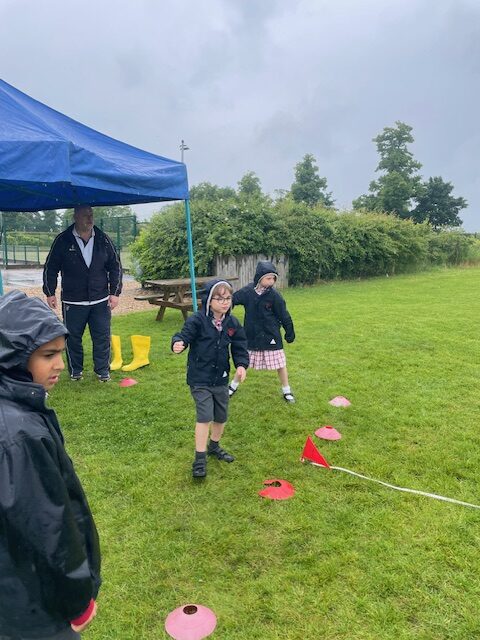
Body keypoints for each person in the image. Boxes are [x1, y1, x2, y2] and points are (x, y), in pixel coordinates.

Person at [0, 290, 101, 639]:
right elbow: (47, 527)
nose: (60, 364)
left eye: (60, 352)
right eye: (48, 355)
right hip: (32, 604)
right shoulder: (18, 433)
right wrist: (78, 599)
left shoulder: (17, 410)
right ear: (13, 357)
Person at [172, 279, 249, 478]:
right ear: (209, 300)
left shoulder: (232, 323)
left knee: (221, 416)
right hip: (200, 379)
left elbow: (240, 346)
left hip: (221, 379)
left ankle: (214, 447)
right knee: (205, 416)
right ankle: (200, 458)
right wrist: (178, 343)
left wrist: (241, 365)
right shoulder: (197, 320)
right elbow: (184, 335)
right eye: (220, 298)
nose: (225, 302)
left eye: (228, 298)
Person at [42, 205, 122, 382]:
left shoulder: (103, 239)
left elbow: (115, 266)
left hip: (100, 299)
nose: (89, 218)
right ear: (75, 217)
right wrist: (50, 291)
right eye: (85, 215)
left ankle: (102, 371)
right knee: (73, 338)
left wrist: (115, 292)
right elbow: (51, 268)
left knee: (102, 336)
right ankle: (75, 371)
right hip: (73, 301)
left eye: (91, 214)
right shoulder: (62, 240)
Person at [228, 260, 296, 402]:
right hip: (251, 336)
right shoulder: (247, 292)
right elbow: (233, 299)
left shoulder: (275, 296)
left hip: (271, 336)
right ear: (260, 278)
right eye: (268, 278)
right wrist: (225, 310)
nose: (271, 282)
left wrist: (289, 332)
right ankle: (233, 386)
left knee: (280, 364)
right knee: (243, 362)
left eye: (273, 279)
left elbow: (284, 315)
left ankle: (287, 390)